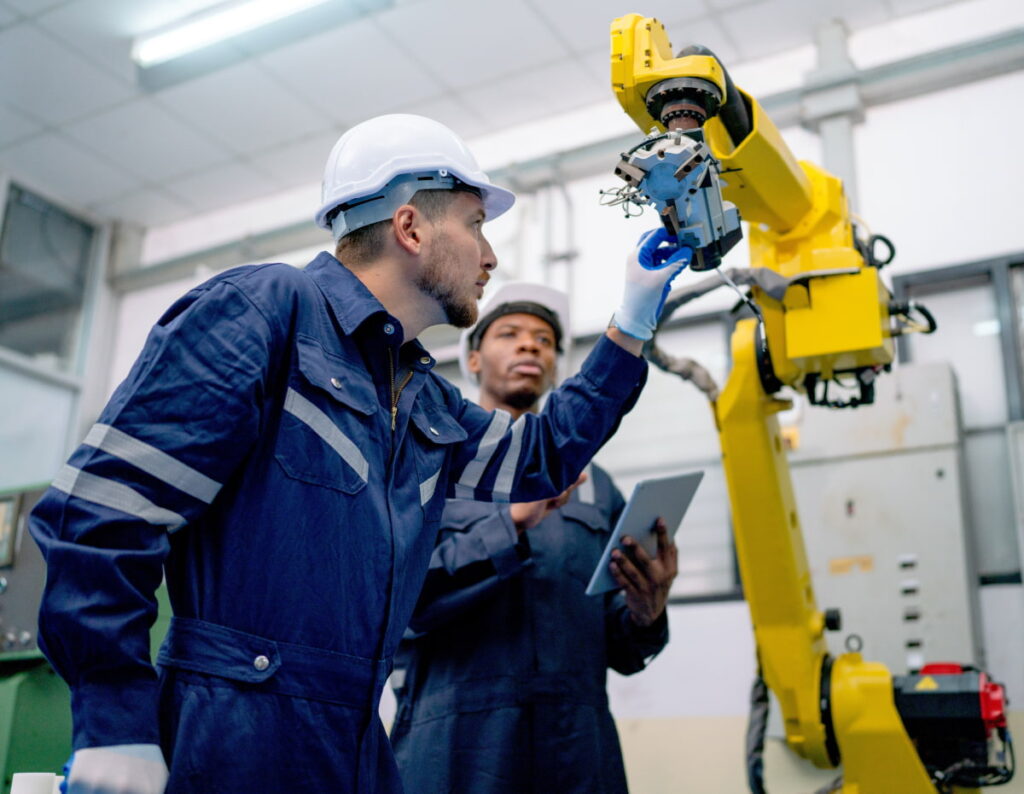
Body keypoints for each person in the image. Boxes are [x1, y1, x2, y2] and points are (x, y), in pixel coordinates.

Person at [29, 114, 691, 793]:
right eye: (475, 224)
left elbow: (541, 457)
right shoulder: (264, 312)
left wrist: (631, 323)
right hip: (233, 736)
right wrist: (116, 721)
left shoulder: (418, 393)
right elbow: (98, 517)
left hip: (354, 742)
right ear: (411, 228)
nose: (490, 257)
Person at [390, 284, 679, 793]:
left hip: (576, 749)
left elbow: (620, 649)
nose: (531, 346)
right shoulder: (426, 469)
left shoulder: (597, 487)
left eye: (544, 340)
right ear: (473, 359)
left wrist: (646, 611)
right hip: (456, 746)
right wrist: (512, 521)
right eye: (511, 334)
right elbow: (402, 603)